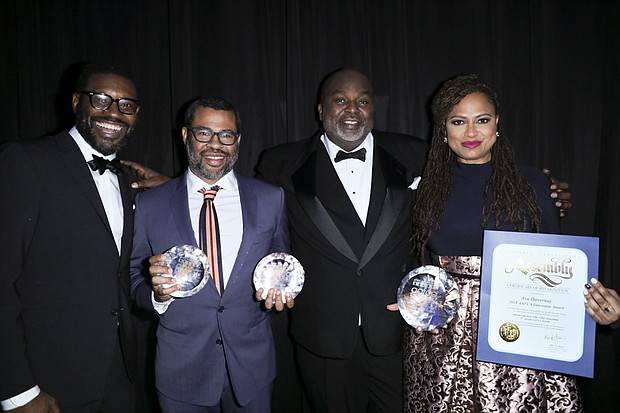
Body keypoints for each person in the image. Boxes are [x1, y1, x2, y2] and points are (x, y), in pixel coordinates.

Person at [403, 74, 585, 412]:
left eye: (482, 120)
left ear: (497, 123)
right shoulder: (426, 187)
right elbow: (417, 260)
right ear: (443, 128)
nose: (471, 133)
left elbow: (561, 265)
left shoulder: (533, 182)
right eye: (459, 121)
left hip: (520, 322)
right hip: (444, 331)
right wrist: (409, 297)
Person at [256, 68, 428, 412]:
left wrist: (538, 186)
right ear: (320, 110)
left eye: (362, 101)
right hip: (322, 335)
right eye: (340, 100)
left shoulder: (414, 154)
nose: (352, 109)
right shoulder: (280, 163)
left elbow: (467, 185)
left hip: (396, 332)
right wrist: (181, 185)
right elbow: (250, 215)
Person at [0, 62, 148, 412]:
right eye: (101, 99)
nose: (114, 112)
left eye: (126, 104)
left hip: (120, 376)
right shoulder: (25, 161)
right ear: (75, 102)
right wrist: (17, 390)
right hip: (48, 380)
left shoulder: (129, 181)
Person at [130, 96, 292, 413]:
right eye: (204, 133)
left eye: (226, 135)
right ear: (185, 135)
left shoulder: (271, 198)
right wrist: (157, 296)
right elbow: (134, 278)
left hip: (252, 369)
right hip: (181, 372)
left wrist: (281, 290)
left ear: (238, 140)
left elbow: (281, 262)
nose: (215, 144)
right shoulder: (150, 205)